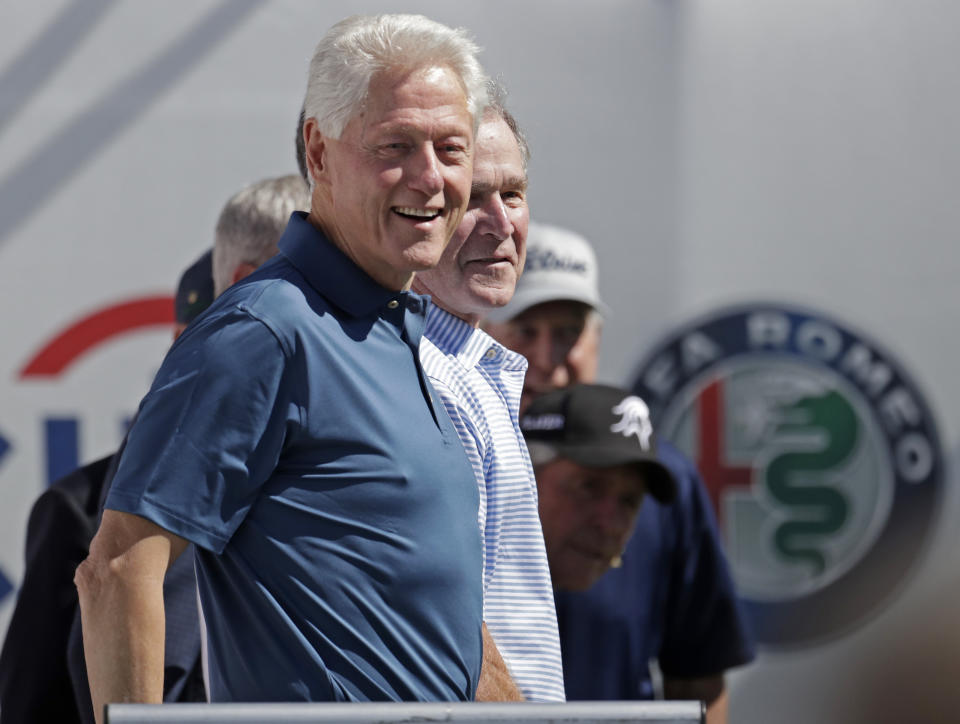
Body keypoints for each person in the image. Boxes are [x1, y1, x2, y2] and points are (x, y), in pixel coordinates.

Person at [75, 13, 491, 720]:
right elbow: (117, 572)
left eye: (452, 149)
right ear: (319, 153)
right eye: (396, 145)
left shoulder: (406, 329)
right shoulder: (263, 330)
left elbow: (434, 629)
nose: (430, 178)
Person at [485, 223, 755, 724]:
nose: (548, 362)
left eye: (568, 333)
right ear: (483, 332)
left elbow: (697, 671)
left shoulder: (663, 476)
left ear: (597, 338)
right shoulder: (444, 461)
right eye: (525, 331)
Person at [410, 90, 565, 702]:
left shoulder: (472, 368)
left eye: (514, 195)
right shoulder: (417, 375)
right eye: (474, 197)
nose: (502, 223)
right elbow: (440, 614)